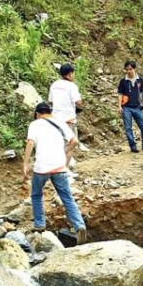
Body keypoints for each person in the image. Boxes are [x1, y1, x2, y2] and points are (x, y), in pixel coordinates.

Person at [23, 103, 87, 244]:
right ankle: (79, 225)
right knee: (67, 198)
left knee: (36, 194)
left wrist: (25, 163)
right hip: (59, 166)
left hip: (42, 167)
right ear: (49, 112)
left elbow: (30, 143)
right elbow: (75, 141)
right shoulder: (60, 122)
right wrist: (63, 151)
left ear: (38, 113)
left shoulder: (35, 124)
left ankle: (39, 224)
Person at [117, 60, 143, 153]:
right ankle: (133, 146)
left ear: (134, 69)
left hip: (137, 107)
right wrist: (119, 106)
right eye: (127, 69)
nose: (129, 71)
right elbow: (120, 94)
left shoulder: (140, 80)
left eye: (130, 69)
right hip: (126, 107)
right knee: (128, 127)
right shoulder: (123, 81)